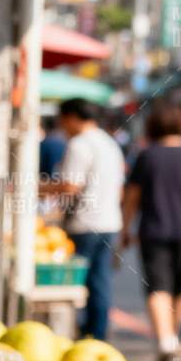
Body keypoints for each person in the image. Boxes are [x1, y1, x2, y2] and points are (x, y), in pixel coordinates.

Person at [120, 103, 181, 361]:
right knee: (179, 287)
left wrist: (125, 228)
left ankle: (164, 339)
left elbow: (132, 198)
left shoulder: (146, 156)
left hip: (153, 229)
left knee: (156, 286)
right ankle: (172, 336)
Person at [40, 98, 125, 342]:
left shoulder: (79, 144)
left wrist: (35, 188)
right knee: (100, 281)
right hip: (109, 221)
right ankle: (97, 334)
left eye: (62, 120)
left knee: (83, 284)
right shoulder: (109, 143)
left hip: (85, 223)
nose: (62, 126)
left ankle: (90, 335)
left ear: (72, 118)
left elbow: (69, 186)